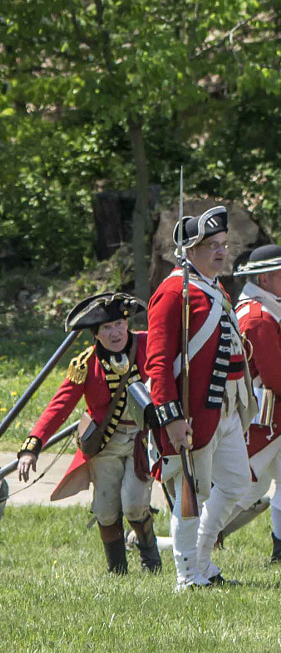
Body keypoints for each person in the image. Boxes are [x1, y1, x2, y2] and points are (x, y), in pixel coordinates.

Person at [141, 206, 254, 591]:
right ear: (188, 250)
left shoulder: (215, 289)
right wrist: (171, 417)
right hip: (190, 413)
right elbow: (157, 363)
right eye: (210, 245)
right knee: (190, 494)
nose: (220, 252)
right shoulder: (173, 292)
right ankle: (187, 576)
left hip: (223, 409)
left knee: (238, 484)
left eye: (223, 244)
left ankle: (202, 560)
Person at [13, 292, 157, 574]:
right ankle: (117, 571)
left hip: (143, 440)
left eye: (119, 323)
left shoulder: (150, 344)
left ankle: (151, 560)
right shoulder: (84, 364)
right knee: (104, 510)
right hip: (104, 444)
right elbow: (58, 406)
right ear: (95, 333)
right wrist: (32, 446)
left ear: (127, 323)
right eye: (106, 327)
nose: (115, 332)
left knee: (134, 504)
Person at [221, 244, 281, 564]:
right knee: (241, 491)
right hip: (262, 417)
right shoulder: (258, 317)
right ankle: (186, 542)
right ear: (266, 277)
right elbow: (275, 377)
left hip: (270, 417)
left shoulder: (260, 310)